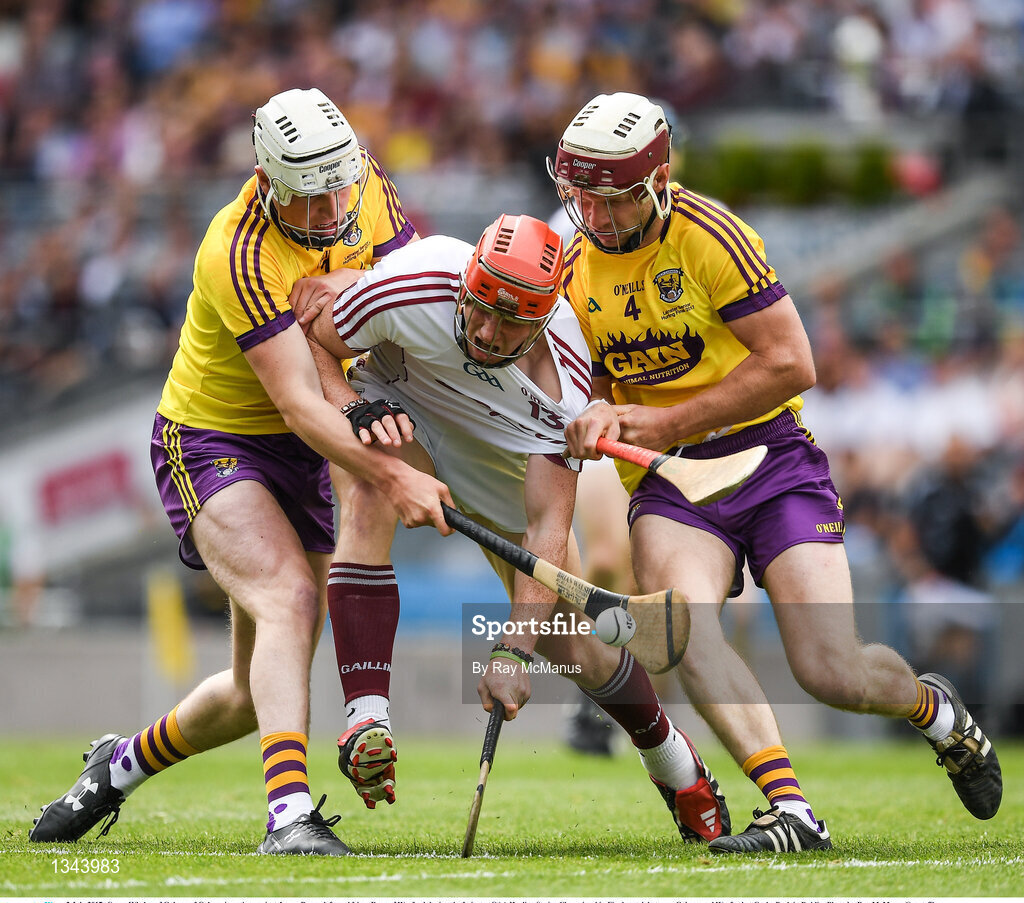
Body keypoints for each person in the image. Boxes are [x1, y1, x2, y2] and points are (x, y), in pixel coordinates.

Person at [551, 91, 1003, 854]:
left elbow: (794, 362)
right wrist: (590, 410)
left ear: (657, 181)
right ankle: (791, 808)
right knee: (680, 627)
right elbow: (580, 381)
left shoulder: (710, 237)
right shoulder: (572, 266)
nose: (594, 217)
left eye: (612, 200)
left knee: (834, 671)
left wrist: (660, 419)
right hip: (671, 483)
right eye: (581, 198)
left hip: (770, 461)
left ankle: (936, 711)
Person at [28, 88, 455, 857]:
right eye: (309, 197)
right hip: (215, 438)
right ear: (266, 179)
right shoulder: (238, 248)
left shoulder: (370, 190)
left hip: (302, 448)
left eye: (338, 189)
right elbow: (297, 402)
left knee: (249, 695)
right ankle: (288, 815)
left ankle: (115, 767)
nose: (330, 213)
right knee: (289, 597)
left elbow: (404, 312)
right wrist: (394, 477)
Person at [298, 212, 729, 843]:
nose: (487, 332)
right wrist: (351, 405)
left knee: (572, 644)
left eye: (512, 323)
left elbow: (547, 527)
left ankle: (675, 764)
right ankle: (367, 718)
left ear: (546, 318)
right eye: (479, 309)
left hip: (493, 457)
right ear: (467, 280)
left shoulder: (568, 392)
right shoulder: (413, 284)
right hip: (396, 405)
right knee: (370, 486)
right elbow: (314, 341)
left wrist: (512, 651)